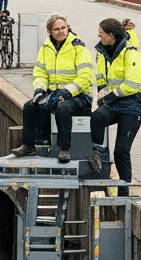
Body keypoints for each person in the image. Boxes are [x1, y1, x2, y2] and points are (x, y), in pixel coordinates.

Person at [8, 14, 94, 163]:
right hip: (54, 92)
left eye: (63, 28)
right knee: (30, 106)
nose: (61, 31)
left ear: (68, 28)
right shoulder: (46, 48)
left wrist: (67, 92)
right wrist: (40, 89)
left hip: (79, 95)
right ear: (50, 31)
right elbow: (40, 72)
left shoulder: (78, 47)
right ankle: (29, 145)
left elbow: (85, 76)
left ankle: (65, 149)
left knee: (63, 109)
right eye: (56, 29)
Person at [88, 18, 141, 184]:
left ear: (111, 35)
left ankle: (125, 189)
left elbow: (132, 84)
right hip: (116, 102)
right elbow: (100, 75)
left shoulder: (131, 52)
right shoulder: (102, 52)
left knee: (121, 151)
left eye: (101, 35)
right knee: (97, 117)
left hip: (134, 105)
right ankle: (97, 152)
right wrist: (102, 96)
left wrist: (109, 97)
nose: (99, 37)